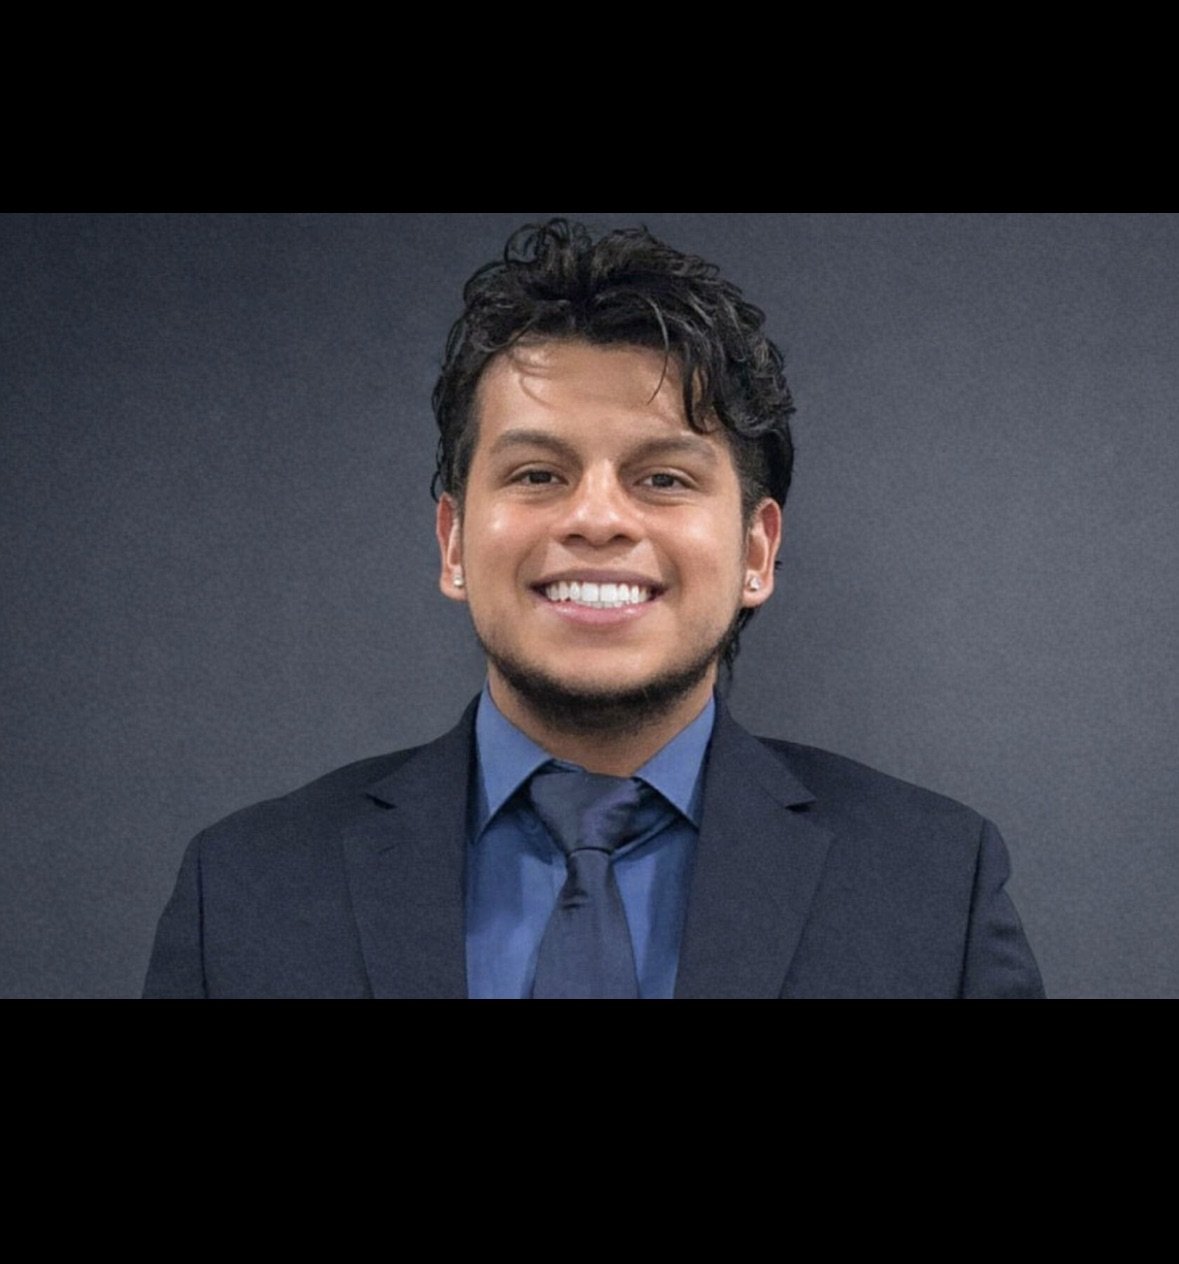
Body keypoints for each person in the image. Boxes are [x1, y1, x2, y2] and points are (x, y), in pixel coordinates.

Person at [142, 217, 1045, 999]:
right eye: (538, 474)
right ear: (453, 543)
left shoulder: (932, 886)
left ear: (756, 554)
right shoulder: (247, 889)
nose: (597, 518)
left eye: (662, 477)